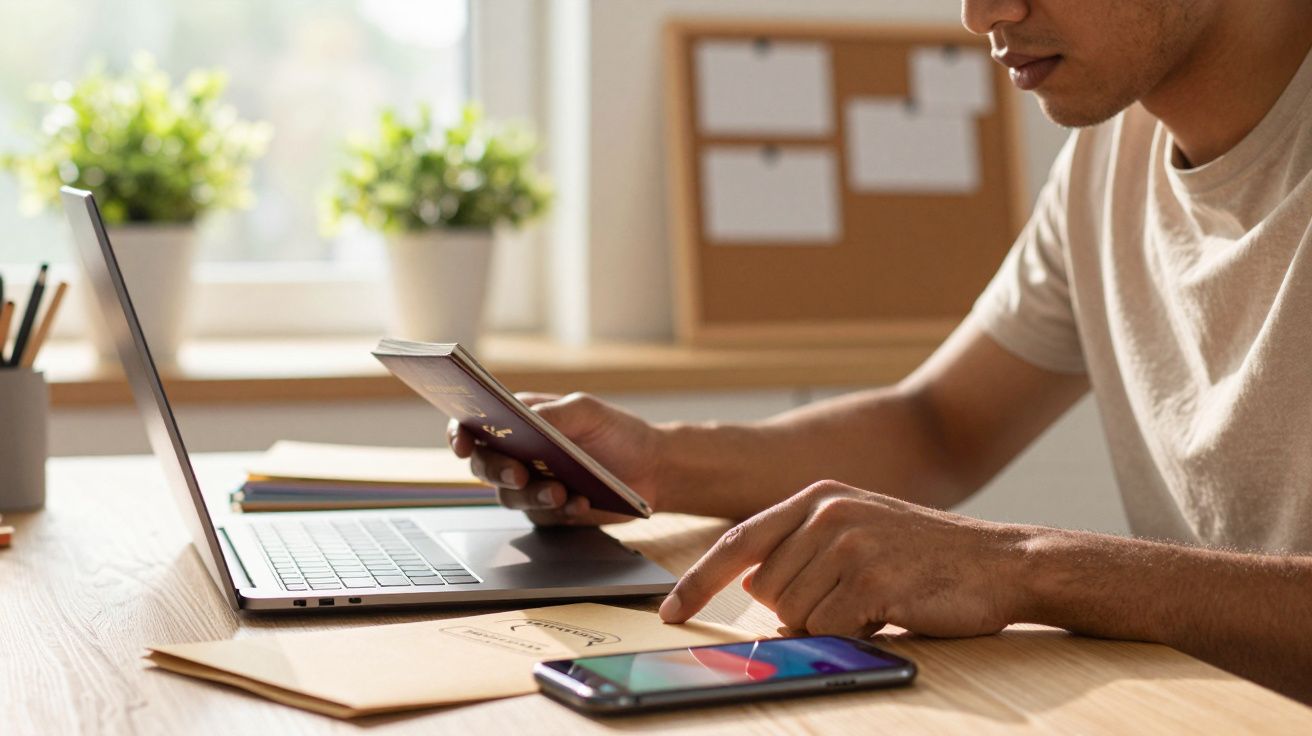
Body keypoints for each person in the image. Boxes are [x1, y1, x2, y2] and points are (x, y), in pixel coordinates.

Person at [450, 0, 1312, 702]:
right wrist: (656, 463)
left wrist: (1025, 570)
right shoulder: (1106, 158)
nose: (981, 15)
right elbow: (937, 427)